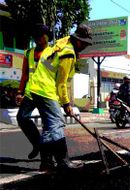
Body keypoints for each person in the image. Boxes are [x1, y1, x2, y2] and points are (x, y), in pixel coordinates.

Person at [28, 24, 92, 171]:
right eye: (84, 43)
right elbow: (61, 83)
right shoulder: (68, 53)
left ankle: (46, 162)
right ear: (77, 40)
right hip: (45, 90)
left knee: (49, 126)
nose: (84, 46)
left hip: (37, 88)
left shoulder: (62, 44)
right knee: (57, 123)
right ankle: (63, 161)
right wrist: (66, 104)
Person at [15, 24, 52, 161]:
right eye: (36, 35)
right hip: (31, 93)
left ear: (48, 36)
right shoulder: (29, 53)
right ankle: (37, 144)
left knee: (47, 126)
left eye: (42, 35)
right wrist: (20, 91)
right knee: (22, 118)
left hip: (46, 94)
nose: (39, 38)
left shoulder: (52, 52)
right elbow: (25, 74)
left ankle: (47, 159)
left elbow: (55, 74)